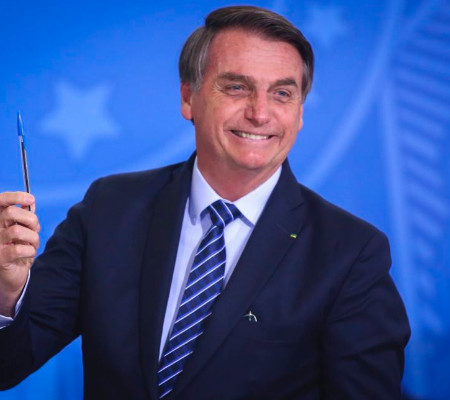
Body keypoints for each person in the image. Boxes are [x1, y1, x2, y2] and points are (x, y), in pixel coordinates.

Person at [0, 5, 410, 400]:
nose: (260, 113)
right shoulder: (109, 208)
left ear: (300, 112)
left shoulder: (351, 252)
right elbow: (7, 365)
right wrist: (5, 292)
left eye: (282, 93)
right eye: (236, 87)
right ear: (188, 98)